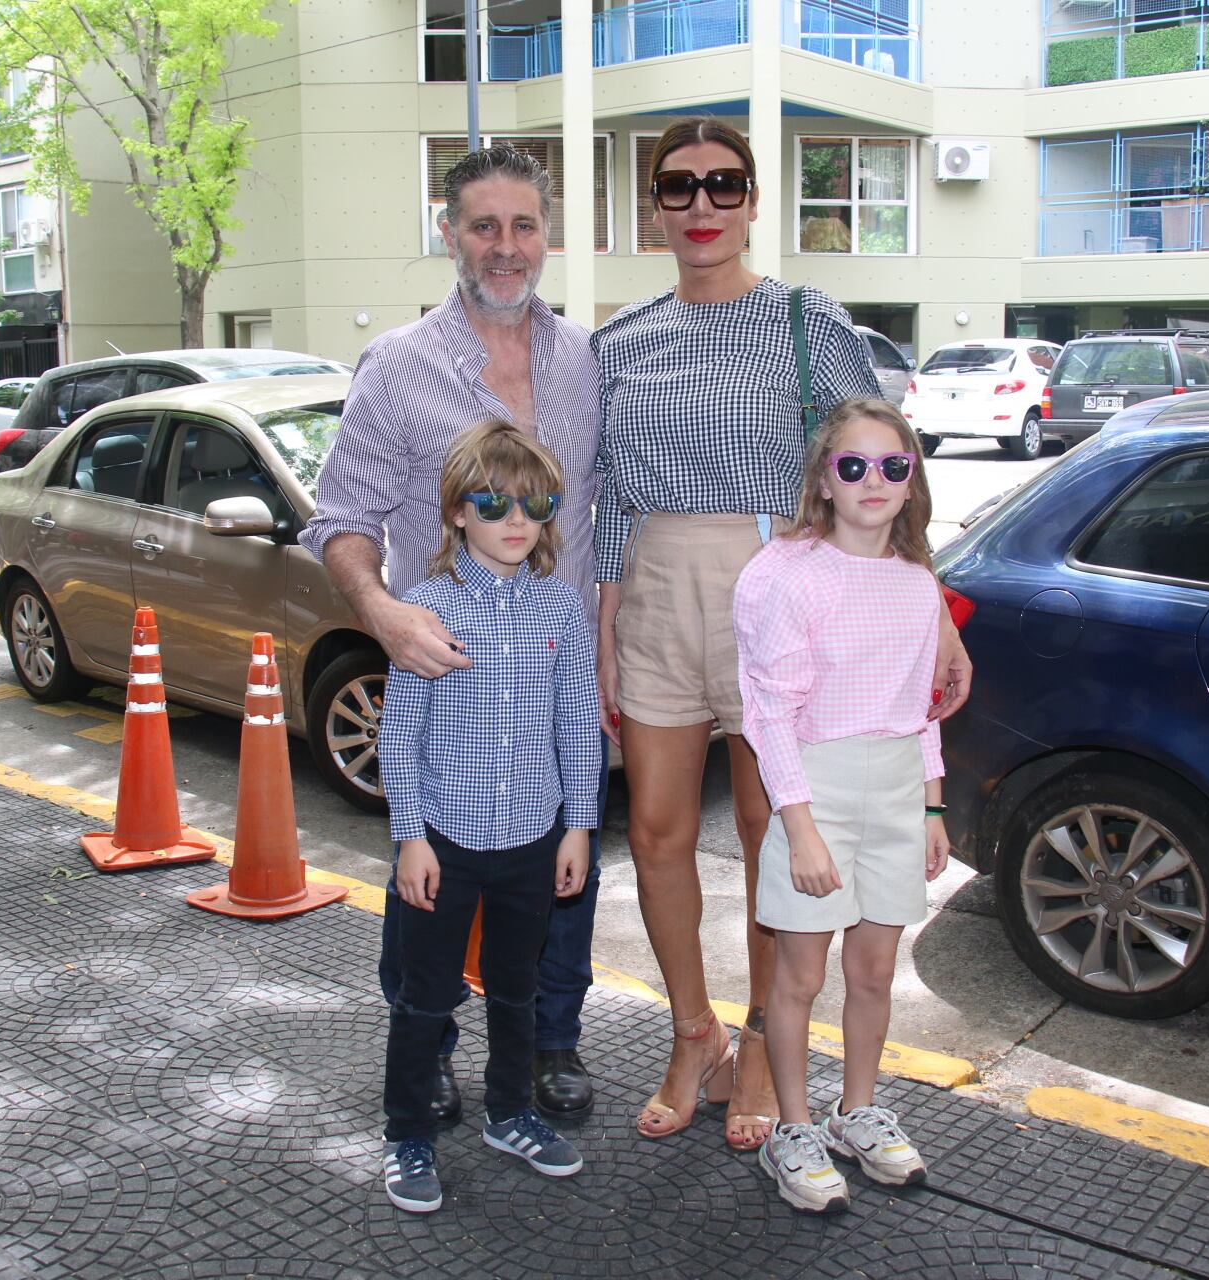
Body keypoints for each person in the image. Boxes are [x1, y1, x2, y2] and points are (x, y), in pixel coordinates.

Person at [593, 117, 969, 1152]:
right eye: (679, 188)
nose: (702, 206)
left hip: (785, 588)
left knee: (772, 836)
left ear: (755, 200)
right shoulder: (618, 343)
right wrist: (604, 621)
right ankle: (691, 1033)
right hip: (660, 586)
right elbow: (605, 500)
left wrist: (932, 609)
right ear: (655, 205)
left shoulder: (808, 319)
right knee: (659, 831)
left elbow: (891, 470)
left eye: (724, 185)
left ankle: (765, 1042)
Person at [302, 145, 604, 1123]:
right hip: (448, 675)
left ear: (546, 235)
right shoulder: (397, 367)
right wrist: (383, 613)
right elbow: (340, 517)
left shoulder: (586, 361)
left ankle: (549, 1039)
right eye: (485, 226)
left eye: (524, 226)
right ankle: (424, 1039)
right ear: (450, 233)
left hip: (557, 660)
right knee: (427, 871)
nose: (506, 247)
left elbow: (603, 510)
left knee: (560, 860)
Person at [374, 421, 602, 1213]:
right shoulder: (426, 607)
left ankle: (511, 1114)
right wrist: (410, 838)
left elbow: (577, 722)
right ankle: (407, 1132)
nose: (516, 518)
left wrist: (578, 826)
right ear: (456, 513)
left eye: (535, 503)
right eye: (493, 501)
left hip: (534, 840)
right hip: (445, 839)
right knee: (426, 994)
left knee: (517, 989)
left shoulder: (562, 608)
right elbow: (398, 735)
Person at [732, 399, 952, 1214]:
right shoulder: (784, 573)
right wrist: (800, 828)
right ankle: (793, 1128)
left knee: (874, 969)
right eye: (853, 465)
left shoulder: (916, 580)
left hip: (897, 783)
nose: (874, 481)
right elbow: (768, 713)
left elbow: (919, 704)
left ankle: (857, 1110)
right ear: (824, 479)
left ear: (910, 480)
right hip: (813, 784)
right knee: (800, 973)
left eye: (893, 466)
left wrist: (931, 808)